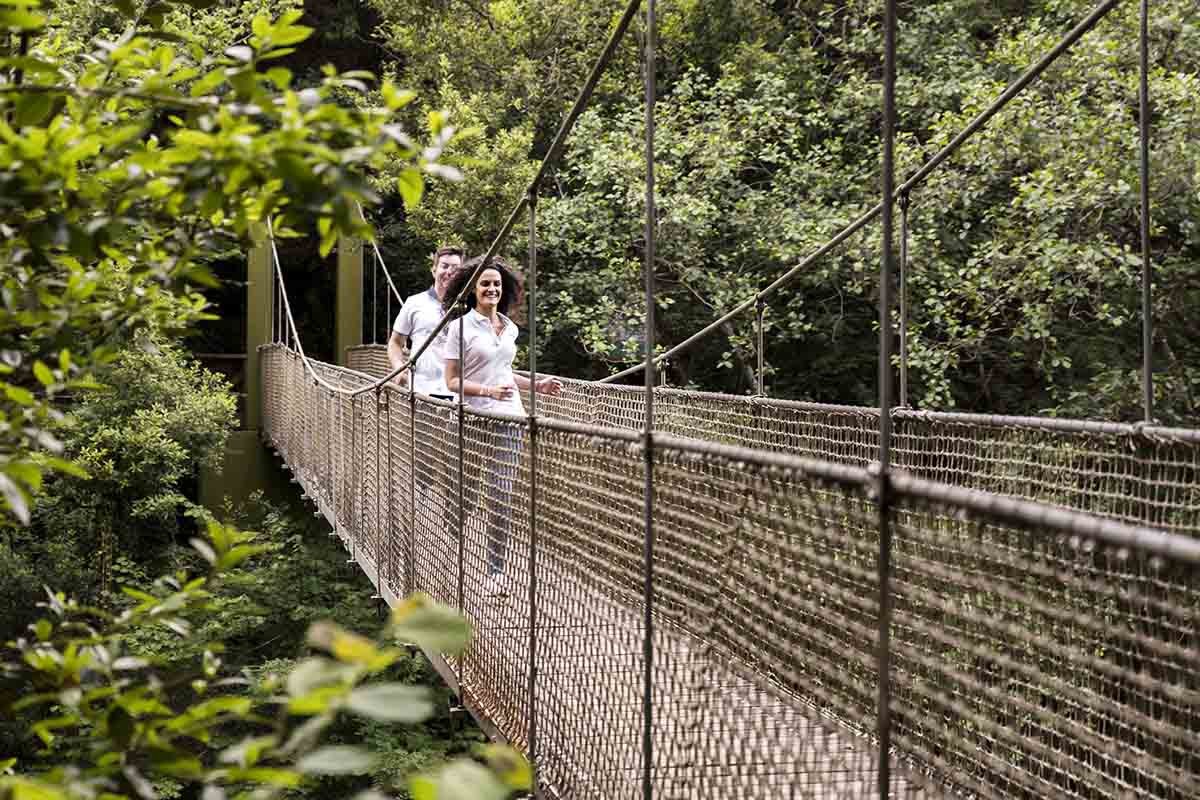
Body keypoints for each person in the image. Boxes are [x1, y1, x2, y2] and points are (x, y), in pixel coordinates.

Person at [442, 256, 563, 597]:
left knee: (500, 495)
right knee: (462, 497)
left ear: (503, 289)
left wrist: (537, 386)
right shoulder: (459, 328)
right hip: (470, 418)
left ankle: (495, 572)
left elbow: (504, 373)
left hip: (508, 418)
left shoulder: (510, 328)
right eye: (485, 284)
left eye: (496, 284)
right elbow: (451, 381)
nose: (492, 289)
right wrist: (486, 391)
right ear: (473, 291)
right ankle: (452, 556)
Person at [389, 247, 462, 544]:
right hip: (424, 394)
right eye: (444, 266)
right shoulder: (415, 303)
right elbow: (395, 343)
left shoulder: (468, 307)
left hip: (460, 395)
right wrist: (398, 369)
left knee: (460, 460)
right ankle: (422, 516)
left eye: (455, 269)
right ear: (433, 269)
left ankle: (452, 524)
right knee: (427, 460)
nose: (449, 272)